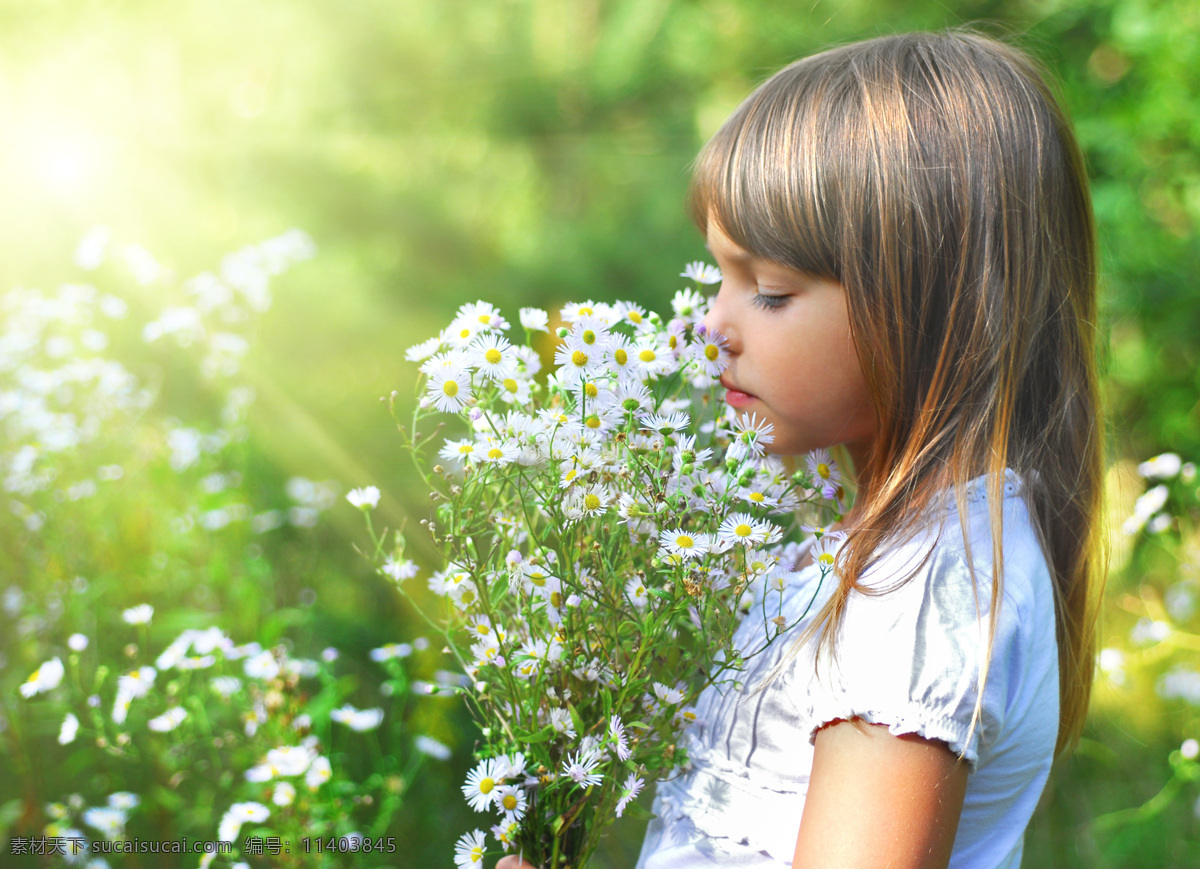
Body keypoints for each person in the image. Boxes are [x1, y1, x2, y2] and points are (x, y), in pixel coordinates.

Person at [500, 25, 1103, 869]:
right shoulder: (895, 551)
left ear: (926, 307)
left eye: (771, 291)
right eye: (720, 276)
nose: (714, 325)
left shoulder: (919, 595)